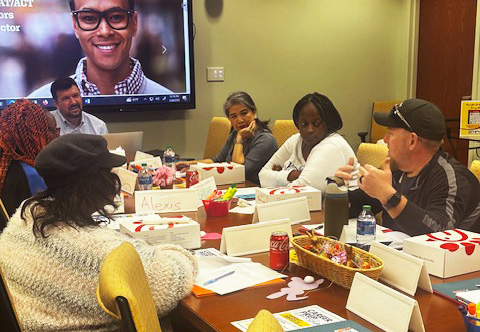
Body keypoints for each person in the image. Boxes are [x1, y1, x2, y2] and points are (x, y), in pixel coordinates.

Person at [0, 134, 197, 331]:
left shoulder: (27, 215)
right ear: (97, 181)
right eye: (109, 172)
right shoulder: (96, 249)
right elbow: (165, 286)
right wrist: (181, 254)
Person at [336, 98, 480, 236]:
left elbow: (440, 233)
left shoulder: (452, 179)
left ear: (412, 141)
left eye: (390, 133)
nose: (385, 140)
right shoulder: (397, 168)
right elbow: (358, 205)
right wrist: (337, 190)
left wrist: (387, 195)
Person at [27, 0, 172, 97]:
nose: (104, 31)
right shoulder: (37, 105)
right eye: (89, 18)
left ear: (134, 23)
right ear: (75, 26)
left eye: (116, 17)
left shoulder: (168, 101)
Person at [259, 92, 356, 193]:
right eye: (304, 124)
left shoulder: (331, 145)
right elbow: (262, 176)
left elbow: (302, 191)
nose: (309, 130)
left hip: (344, 207)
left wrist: (280, 176)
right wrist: (295, 174)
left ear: (328, 122)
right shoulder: (295, 140)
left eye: (316, 124)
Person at [179, 91, 278, 184]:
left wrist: (239, 140)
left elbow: (238, 171)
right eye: (234, 116)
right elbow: (217, 161)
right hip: (235, 186)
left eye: (244, 113)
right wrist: (191, 164)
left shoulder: (265, 140)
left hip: (255, 191)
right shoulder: (235, 134)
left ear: (254, 112)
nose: (240, 120)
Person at [0, 99, 58, 225]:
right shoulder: (33, 175)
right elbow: (49, 222)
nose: (57, 136)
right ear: (35, 134)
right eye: (53, 130)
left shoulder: (5, 164)